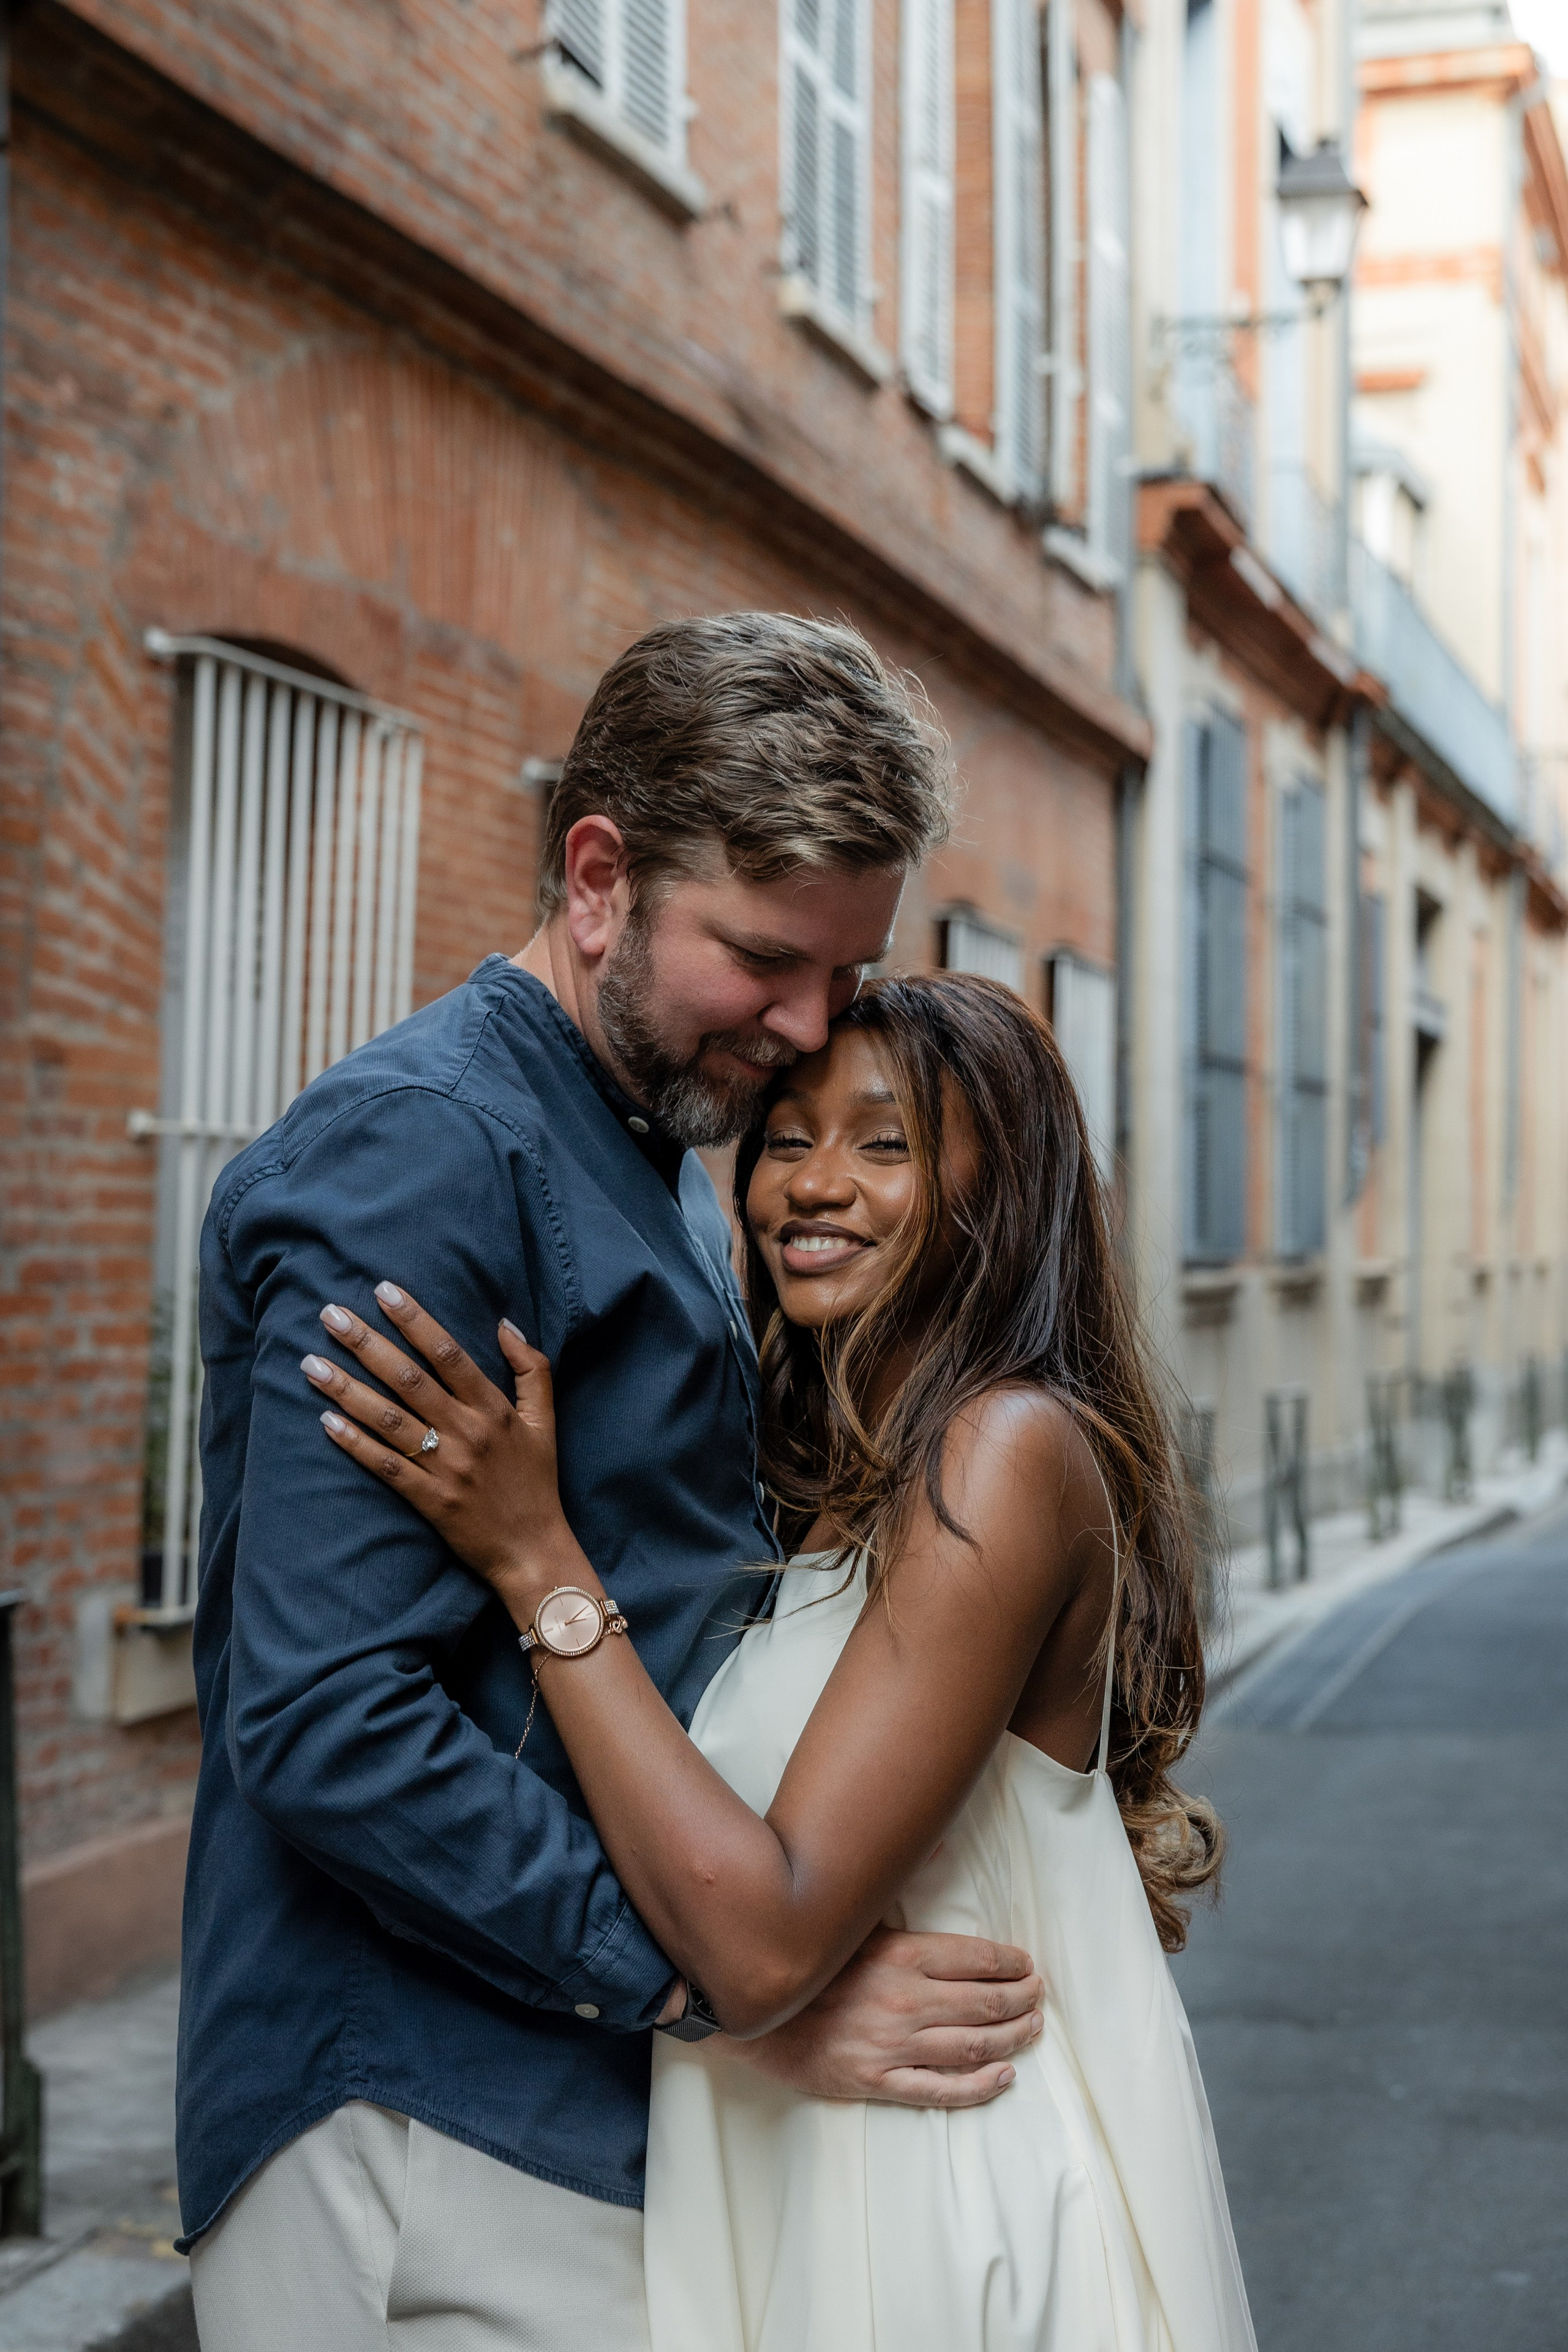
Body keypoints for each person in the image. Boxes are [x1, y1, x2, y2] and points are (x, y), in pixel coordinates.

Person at [181, 615, 1050, 2352]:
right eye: (763, 959)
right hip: (421, 2120)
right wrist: (719, 1987)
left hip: (570, 2100)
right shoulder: (423, 1151)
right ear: (599, 876)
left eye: (845, 973)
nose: (809, 1025)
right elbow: (331, 1712)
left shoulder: (654, 1138)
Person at [305, 970, 1259, 2351]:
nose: (810, 1184)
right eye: (784, 1137)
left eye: (885, 1143)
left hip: (940, 2193)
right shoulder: (824, 1475)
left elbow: (761, 1938)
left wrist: (535, 1559)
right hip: (814, 2164)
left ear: (1005, 1186)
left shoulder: (999, 1453)